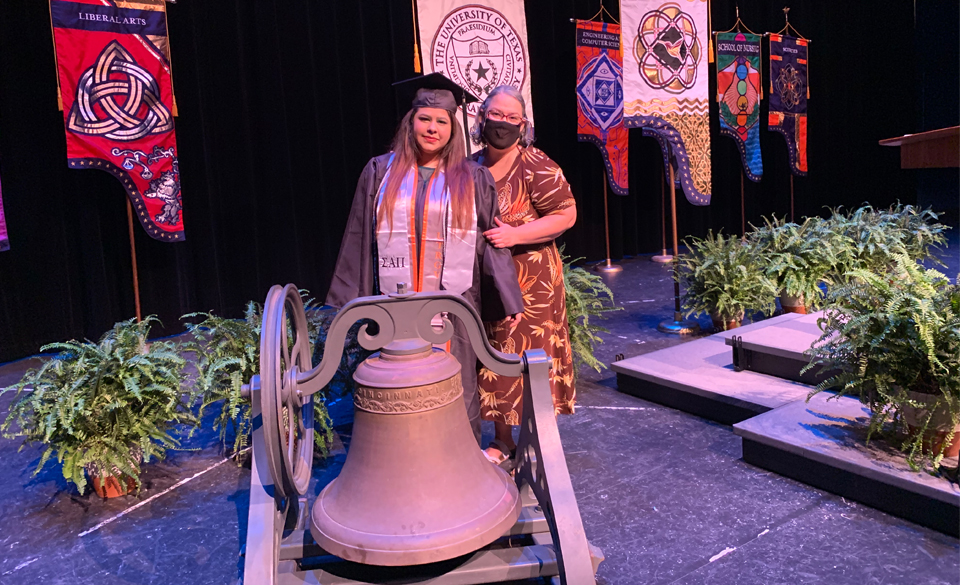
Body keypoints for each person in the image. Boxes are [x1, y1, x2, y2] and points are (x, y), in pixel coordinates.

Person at [325, 73, 523, 446]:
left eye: (442, 121)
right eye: (425, 119)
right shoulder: (380, 172)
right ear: (410, 122)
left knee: (456, 379)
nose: (432, 128)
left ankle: (458, 456)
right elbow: (358, 236)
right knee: (394, 381)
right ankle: (395, 453)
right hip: (392, 302)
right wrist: (351, 298)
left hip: (453, 304)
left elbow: (489, 241)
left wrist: (507, 294)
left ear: (453, 129)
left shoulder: (473, 177)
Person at [471, 85, 578, 465]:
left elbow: (566, 214)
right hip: (485, 279)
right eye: (495, 115)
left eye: (511, 117)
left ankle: (536, 435)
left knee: (528, 356)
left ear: (523, 124)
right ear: (482, 117)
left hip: (530, 278)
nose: (502, 123)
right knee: (494, 353)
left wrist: (515, 234)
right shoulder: (471, 166)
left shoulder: (535, 164)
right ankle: (502, 440)